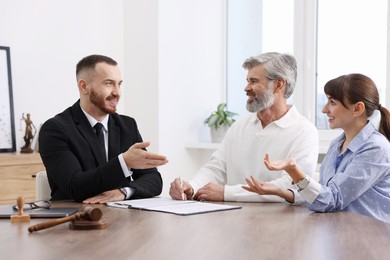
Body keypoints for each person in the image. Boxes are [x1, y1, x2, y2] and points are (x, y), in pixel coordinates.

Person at [169, 52, 319, 203]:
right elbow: (216, 168)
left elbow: (290, 187)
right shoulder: (238, 127)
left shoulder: (304, 132)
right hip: (234, 217)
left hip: (279, 221)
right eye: (247, 81)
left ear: (279, 84)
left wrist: (227, 193)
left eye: (254, 81)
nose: (246, 88)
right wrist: (191, 187)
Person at [243, 73, 390, 223]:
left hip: (371, 238)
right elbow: (321, 193)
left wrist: (294, 170)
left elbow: (332, 200)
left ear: (357, 108)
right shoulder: (336, 144)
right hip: (343, 232)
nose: (324, 109)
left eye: (332, 102)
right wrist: (281, 192)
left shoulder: (376, 149)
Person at [39, 54, 168, 204]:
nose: (117, 92)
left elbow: (153, 180)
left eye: (119, 84)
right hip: (75, 219)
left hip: (121, 218)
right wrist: (123, 163)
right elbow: (75, 186)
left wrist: (124, 191)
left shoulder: (127, 125)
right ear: (84, 86)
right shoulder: (55, 129)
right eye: (109, 83)